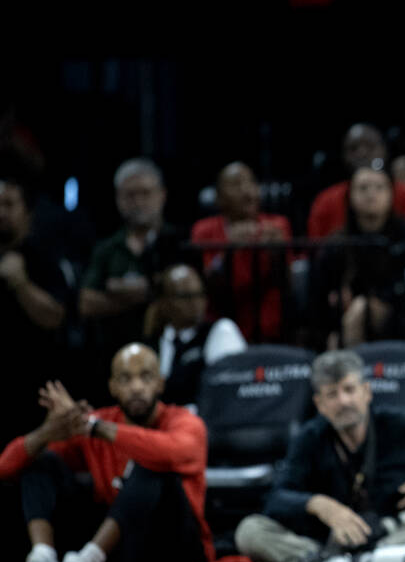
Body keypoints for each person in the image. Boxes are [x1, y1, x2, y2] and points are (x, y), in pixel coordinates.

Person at [235, 350, 405, 562]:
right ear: (319, 404)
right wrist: (319, 505)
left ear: (366, 391)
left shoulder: (401, 425)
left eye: (349, 389)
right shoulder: (309, 438)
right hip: (325, 546)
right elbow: (276, 499)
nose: (343, 401)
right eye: (332, 394)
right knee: (250, 530)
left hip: (388, 539)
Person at [2, 344, 212, 562]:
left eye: (145, 377)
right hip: (125, 546)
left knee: (152, 461)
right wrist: (47, 433)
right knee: (41, 460)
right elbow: (5, 468)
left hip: (174, 546)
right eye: (125, 379)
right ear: (112, 387)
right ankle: (42, 559)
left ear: (160, 383)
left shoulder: (186, 422)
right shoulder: (98, 423)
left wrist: (93, 427)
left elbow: (170, 452)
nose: (136, 386)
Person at [79, 159, 186, 370]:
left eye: (145, 193)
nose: (138, 201)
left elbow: (186, 300)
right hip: (115, 354)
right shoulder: (107, 248)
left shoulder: (180, 243)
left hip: (171, 356)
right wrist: (151, 293)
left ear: (162, 195)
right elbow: (87, 303)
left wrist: (120, 291)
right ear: (118, 199)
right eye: (130, 195)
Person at [307, 166, 405, 349]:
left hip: (401, 323)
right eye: (363, 188)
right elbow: (317, 300)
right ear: (350, 196)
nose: (371, 194)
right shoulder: (336, 245)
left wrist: (382, 305)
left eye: (379, 187)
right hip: (345, 323)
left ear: (391, 194)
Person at [190, 162, 292, 343]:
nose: (246, 191)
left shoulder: (277, 225)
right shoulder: (204, 231)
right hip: (221, 327)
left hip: (271, 327)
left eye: (250, 182)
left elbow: (289, 282)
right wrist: (229, 250)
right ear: (219, 198)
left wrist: (277, 253)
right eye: (236, 185)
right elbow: (205, 284)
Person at [0, 177, 68, 447]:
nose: (1, 212)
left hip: (32, 390)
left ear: (27, 211)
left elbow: (54, 317)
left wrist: (20, 283)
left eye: (8, 204)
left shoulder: (43, 256)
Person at [307, 124, 405, 239]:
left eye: (370, 146)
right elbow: (315, 250)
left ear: (384, 150)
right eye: (353, 148)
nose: (362, 153)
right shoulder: (325, 201)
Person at [152, 264, 246, 409]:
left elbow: (231, 391)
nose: (196, 302)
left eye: (200, 294)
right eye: (186, 296)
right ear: (164, 303)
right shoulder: (151, 341)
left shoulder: (220, 331)